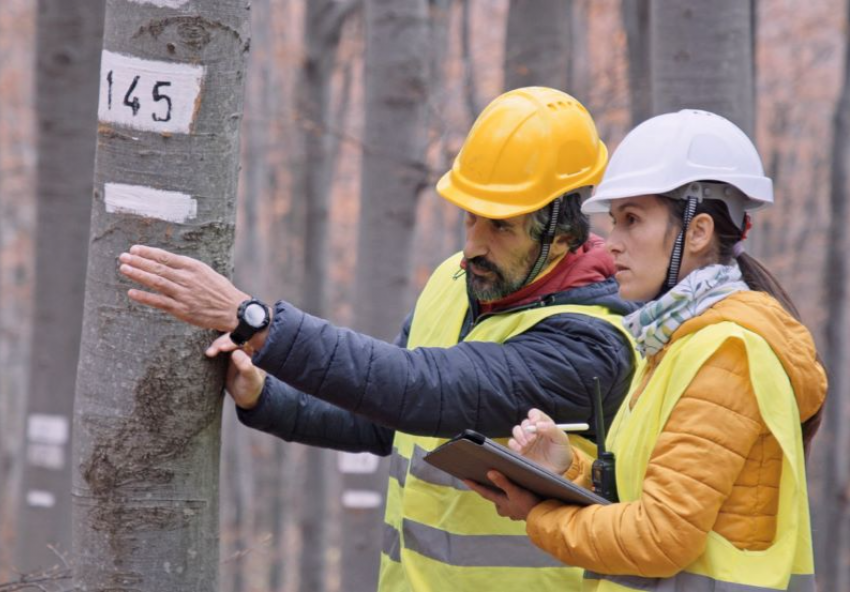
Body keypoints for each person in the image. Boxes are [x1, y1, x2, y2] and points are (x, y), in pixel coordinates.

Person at [118, 87, 638, 591]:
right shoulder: (453, 283)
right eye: (470, 217)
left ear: (563, 230)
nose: (472, 246)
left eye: (501, 227)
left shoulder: (591, 342)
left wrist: (257, 321)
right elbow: (384, 418)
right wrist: (264, 395)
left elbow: (422, 392)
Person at [466, 109, 827, 591]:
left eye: (632, 220)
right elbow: (647, 494)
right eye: (613, 222)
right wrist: (566, 468)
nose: (611, 244)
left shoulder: (729, 354)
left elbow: (660, 538)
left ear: (697, 233)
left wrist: (540, 515)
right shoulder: (672, 341)